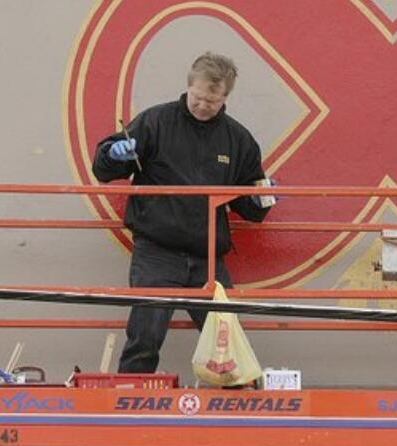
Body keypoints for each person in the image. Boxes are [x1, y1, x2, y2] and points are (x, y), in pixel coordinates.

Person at [92, 52, 273, 374]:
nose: (203, 106)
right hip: (157, 251)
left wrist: (264, 197)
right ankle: (130, 397)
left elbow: (251, 208)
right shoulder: (154, 122)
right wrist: (114, 154)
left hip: (208, 257)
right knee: (145, 334)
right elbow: (103, 171)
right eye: (198, 98)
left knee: (226, 336)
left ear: (225, 97)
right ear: (189, 87)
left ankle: (238, 398)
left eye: (212, 102)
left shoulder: (239, 140)